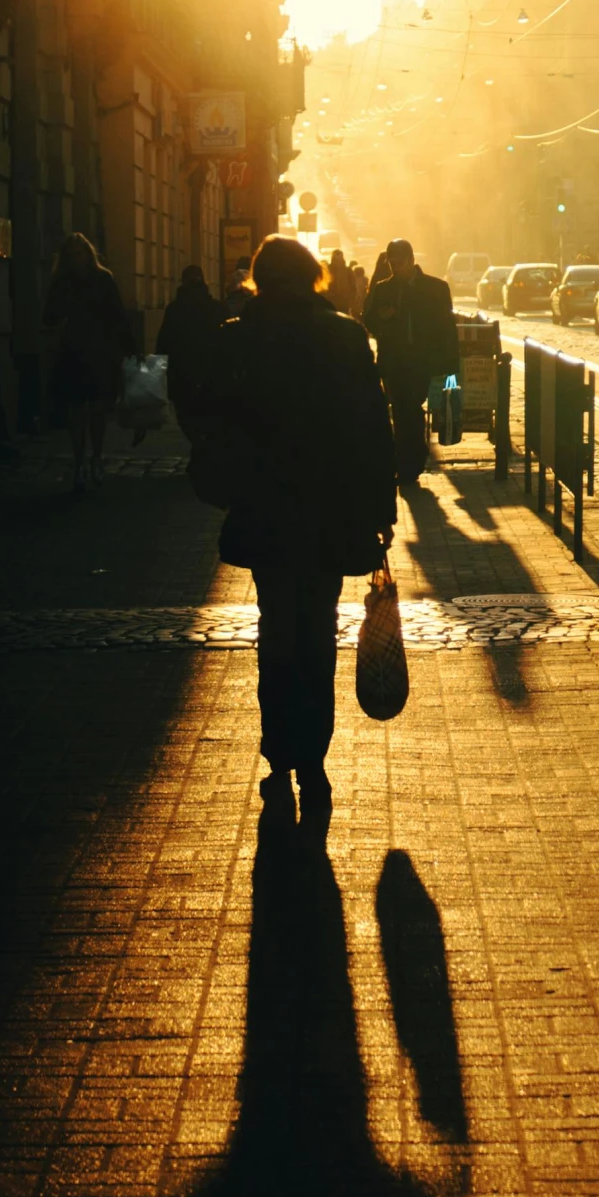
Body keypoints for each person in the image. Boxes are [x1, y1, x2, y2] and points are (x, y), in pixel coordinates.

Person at [205, 234, 396, 829]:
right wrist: (380, 512)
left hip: (266, 508)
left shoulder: (237, 337)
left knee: (276, 629)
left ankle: (281, 753)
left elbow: (211, 418)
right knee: (316, 633)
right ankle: (312, 760)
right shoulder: (344, 335)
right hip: (328, 509)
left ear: (259, 278)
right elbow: (372, 426)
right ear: (314, 275)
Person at [363, 238, 460, 493]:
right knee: (404, 408)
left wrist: (452, 365)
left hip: (424, 361)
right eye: (391, 263)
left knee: (409, 408)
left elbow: (447, 329)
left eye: (400, 263)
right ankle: (410, 461)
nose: (395, 268)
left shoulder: (435, 288)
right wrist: (381, 319)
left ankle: (411, 458)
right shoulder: (384, 289)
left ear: (411, 260)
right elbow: (369, 320)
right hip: (394, 362)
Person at [42, 233, 135, 492]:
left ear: (89, 254)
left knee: (96, 409)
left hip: (99, 353)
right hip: (73, 352)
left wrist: (130, 347)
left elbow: (117, 314)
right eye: (71, 255)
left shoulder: (103, 279)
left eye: (80, 253)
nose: (77, 259)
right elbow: (48, 316)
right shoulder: (62, 282)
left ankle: (96, 457)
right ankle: (80, 461)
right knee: (75, 410)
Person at [156, 263, 224, 434]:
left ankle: (197, 446)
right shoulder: (217, 308)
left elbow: (164, 342)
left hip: (182, 371)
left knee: (185, 415)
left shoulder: (174, 309)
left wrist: (160, 370)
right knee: (207, 414)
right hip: (210, 370)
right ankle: (202, 448)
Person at [325, 249, 356, 316]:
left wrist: (351, 301)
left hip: (344, 301)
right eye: (336, 259)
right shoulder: (328, 270)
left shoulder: (347, 270)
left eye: (339, 258)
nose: (338, 261)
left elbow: (353, 286)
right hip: (331, 301)